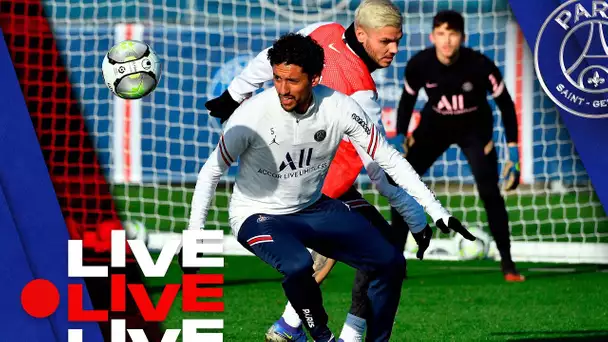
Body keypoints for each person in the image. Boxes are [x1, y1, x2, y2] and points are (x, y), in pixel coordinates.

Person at [184, 33, 475, 342]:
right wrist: (194, 236)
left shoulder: (340, 107)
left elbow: (387, 158)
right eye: (277, 79)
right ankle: (321, 336)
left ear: (315, 78)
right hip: (256, 215)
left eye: (293, 81)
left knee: (390, 262)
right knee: (298, 264)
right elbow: (210, 172)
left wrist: (434, 210)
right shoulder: (250, 115)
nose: (282, 89)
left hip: (313, 207)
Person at [393, 9, 525, 282]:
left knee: (490, 193)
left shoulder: (480, 65)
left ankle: (508, 264)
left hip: (475, 131)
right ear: (432, 36)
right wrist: (400, 135)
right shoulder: (420, 64)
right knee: (401, 186)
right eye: (441, 34)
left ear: (462, 37)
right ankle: (395, 262)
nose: (446, 41)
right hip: (434, 127)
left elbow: (505, 104)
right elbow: (407, 101)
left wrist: (513, 148)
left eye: (452, 34)